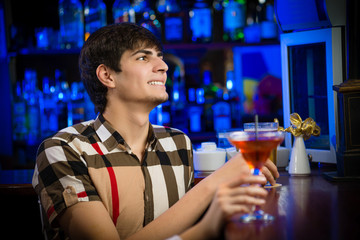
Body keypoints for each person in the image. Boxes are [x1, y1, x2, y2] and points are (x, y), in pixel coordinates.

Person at [32, 22, 279, 240]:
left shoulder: (178, 143)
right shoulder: (63, 150)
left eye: (160, 56)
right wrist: (213, 193)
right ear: (107, 75)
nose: (163, 66)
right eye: (143, 57)